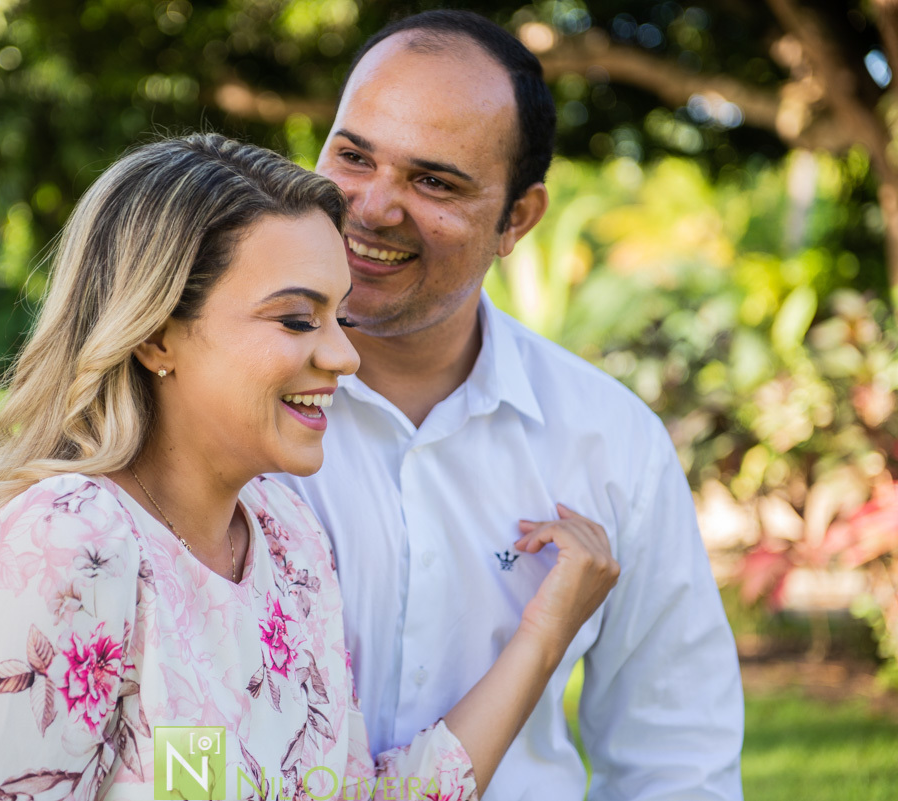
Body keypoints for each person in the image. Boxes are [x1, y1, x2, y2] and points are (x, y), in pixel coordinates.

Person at [0, 134, 619, 801]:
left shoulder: (286, 534)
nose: (345, 355)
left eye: (338, 314)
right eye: (297, 318)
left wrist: (544, 635)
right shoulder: (70, 543)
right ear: (157, 336)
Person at [269, 9, 745, 801]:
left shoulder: (612, 440)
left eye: (434, 181)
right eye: (353, 156)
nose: (373, 207)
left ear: (517, 218)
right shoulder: (221, 405)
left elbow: (674, 758)